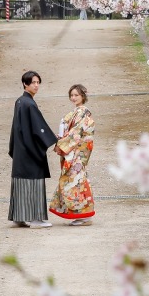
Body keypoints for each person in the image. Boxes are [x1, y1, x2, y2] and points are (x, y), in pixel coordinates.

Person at [8, 70, 58, 229]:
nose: (36, 86)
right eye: (33, 83)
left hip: (21, 149)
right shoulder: (29, 104)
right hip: (29, 150)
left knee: (21, 182)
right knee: (34, 181)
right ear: (25, 84)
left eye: (38, 82)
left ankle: (19, 217)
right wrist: (54, 140)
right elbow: (38, 128)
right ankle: (36, 219)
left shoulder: (20, 101)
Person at [49, 84, 96, 226]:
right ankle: (82, 214)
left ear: (83, 96)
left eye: (77, 95)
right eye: (72, 95)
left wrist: (62, 143)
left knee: (76, 181)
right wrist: (62, 137)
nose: (73, 98)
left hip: (77, 152)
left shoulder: (83, 112)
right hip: (76, 152)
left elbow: (76, 134)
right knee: (76, 181)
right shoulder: (76, 112)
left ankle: (84, 215)